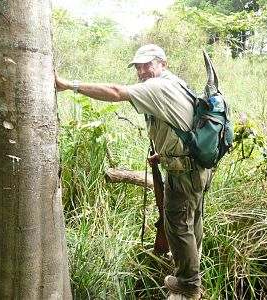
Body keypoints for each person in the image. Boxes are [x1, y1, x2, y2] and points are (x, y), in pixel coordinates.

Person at [55, 44, 210, 300]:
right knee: (192, 222)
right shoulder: (176, 83)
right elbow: (184, 121)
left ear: (163, 64)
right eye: (138, 67)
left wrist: (70, 85)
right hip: (195, 165)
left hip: (184, 172)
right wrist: (166, 153)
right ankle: (190, 273)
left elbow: (117, 92)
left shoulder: (158, 86)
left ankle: (188, 283)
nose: (141, 71)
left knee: (178, 223)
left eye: (147, 65)